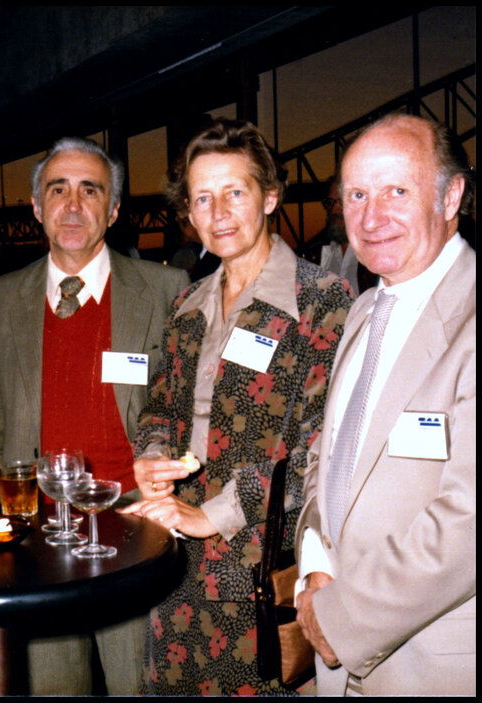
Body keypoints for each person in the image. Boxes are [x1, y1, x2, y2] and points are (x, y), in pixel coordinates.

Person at [118, 118, 353, 695]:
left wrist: (211, 515)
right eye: (203, 198)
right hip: (173, 556)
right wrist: (150, 457)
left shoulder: (321, 301)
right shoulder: (187, 305)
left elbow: (319, 445)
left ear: (269, 197)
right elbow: (161, 407)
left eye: (235, 193)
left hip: (257, 563)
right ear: (189, 214)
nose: (219, 212)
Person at [0, 137, 189, 695]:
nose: (74, 205)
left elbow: (184, 414)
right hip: (40, 540)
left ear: (114, 209)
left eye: (91, 190)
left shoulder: (166, 290)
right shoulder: (2, 297)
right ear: (37, 208)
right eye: (58, 190)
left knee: (140, 687)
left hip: (135, 532)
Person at [295, 113, 475, 696]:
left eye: (397, 191)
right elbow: (327, 455)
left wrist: (340, 618)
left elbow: (468, 522)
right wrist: (314, 562)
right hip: (336, 652)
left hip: (432, 665)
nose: (371, 219)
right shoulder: (365, 310)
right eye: (356, 195)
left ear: (451, 196)